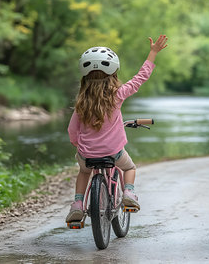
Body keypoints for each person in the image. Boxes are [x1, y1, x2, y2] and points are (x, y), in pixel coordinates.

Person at [66, 35, 168, 223]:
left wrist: (78, 145)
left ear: (84, 77)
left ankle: (78, 205)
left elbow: (72, 131)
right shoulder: (117, 96)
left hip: (87, 155)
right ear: (113, 74)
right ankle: (128, 193)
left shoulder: (81, 103)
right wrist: (153, 52)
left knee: (84, 171)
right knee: (129, 167)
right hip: (114, 153)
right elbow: (140, 78)